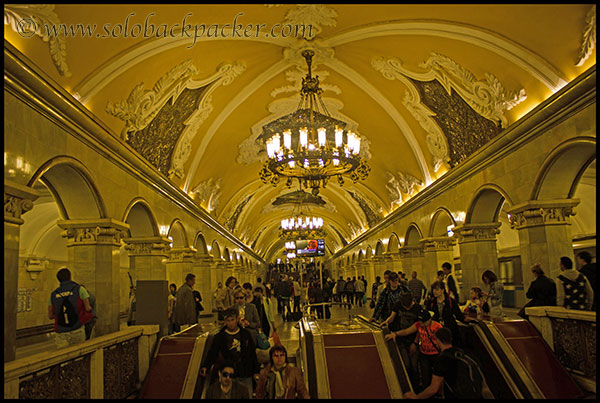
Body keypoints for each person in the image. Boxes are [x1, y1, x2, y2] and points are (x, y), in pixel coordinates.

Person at [403, 327, 486, 399]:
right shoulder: (465, 355)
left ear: (438, 340)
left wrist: (416, 397)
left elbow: (433, 389)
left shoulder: (442, 360)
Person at [200, 307, 260, 395]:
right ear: (225, 322)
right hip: (231, 374)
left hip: (246, 372)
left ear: (237, 319)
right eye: (228, 320)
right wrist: (206, 366)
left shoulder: (245, 334)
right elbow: (213, 353)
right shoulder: (220, 337)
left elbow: (252, 354)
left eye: (232, 320)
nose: (231, 323)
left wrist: (256, 371)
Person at [385, 309, 442, 392]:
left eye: (423, 322)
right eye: (420, 322)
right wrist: (395, 334)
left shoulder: (437, 327)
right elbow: (407, 331)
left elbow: (443, 341)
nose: (421, 324)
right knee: (425, 376)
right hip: (424, 354)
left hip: (435, 354)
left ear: (429, 320)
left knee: (436, 377)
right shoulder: (418, 325)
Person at [380, 292, 421, 387]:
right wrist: (386, 322)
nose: (407, 309)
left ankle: (415, 386)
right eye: (405, 307)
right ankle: (407, 385)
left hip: (412, 339)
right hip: (401, 339)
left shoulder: (418, 309)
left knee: (414, 366)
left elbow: (419, 328)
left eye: (408, 307)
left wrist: (415, 342)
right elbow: (392, 317)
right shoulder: (398, 305)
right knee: (405, 364)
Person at [48, 267, 92, 349]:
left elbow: (50, 315)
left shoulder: (53, 294)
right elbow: (88, 308)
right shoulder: (80, 289)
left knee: (63, 357)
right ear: (70, 276)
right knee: (79, 353)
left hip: (61, 331)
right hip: (77, 328)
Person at [425, 281, 475, 348]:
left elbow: (458, 315)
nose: (434, 291)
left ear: (442, 290)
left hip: (450, 329)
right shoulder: (431, 302)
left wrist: (467, 320)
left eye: (437, 289)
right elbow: (427, 315)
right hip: (437, 329)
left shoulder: (450, 301)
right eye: (433, 289)